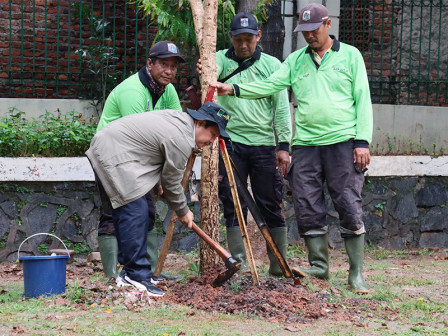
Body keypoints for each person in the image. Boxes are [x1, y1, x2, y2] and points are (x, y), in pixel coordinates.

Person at [217, 3, 373, 293]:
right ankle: (320, 267)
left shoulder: (350, 56)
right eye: (304, 32)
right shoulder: (296, 60)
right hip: (306, 145)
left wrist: (362, 141)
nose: (309, 37)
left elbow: (363, 99)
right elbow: (271, 85)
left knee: (347, 203)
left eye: (314, 30)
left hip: (342, 141)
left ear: (328, 24)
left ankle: (356, 274)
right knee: (307, 205)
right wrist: (234, 89)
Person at [86, 102, 231, 296]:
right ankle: (135, 275)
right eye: (212, 135)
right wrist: (183, 211)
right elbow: (172, 182)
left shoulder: (182, 125)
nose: (211, 142)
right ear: (201, 123)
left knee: (141, 210)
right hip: (113, 152)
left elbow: (155, 155)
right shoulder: (182, 138)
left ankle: (131, 272)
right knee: (135, 210)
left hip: (118, 151)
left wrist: (159, 184)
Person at [198, 12, 292, 276]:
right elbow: (206, 81)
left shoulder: (273, 65)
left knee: (271, 201)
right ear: (231, 37)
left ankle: (278, 264)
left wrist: (283, 145)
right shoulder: (217, 60)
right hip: (230, 143)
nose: (243, 45)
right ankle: (236, 262)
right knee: (232, 202)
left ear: (258, 37)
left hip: (263, 145)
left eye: (248, 39)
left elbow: (281, 108)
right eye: (238, 39)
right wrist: (203, 69)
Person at [96, 40, 185, 281]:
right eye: (164, 64)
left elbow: (176, 128)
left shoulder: (168, 90)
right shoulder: (132, 92)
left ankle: (151, 271)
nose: (169, 71)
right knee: (113, 212)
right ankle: (111, 275)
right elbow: (141, 140)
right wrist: (157, 179)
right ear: (150, 63)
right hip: (111, 156)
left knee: (146, 211)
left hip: (136, 157)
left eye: (174, 66)